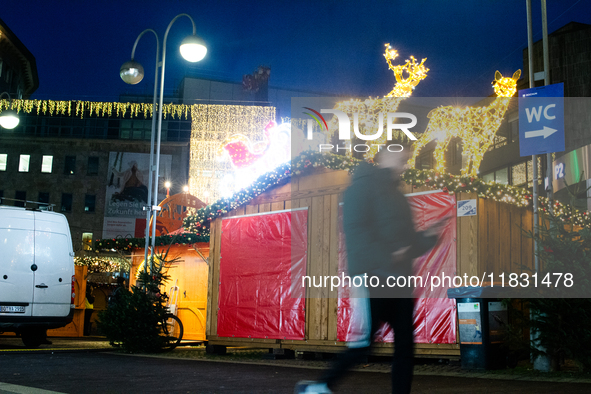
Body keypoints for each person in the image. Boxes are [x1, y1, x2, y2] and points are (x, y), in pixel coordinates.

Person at [295, 145, 447, 394]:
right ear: (384, 157)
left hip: (399, 282)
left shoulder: (398, 197)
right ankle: (318, 386)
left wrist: (429, 237)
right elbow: (356, 233)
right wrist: (388, 255)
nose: (405, 165)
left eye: (407, 161)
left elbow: (408, 243)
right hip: (371, 277)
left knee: (405, 347)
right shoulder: (360, 188)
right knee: (364, 344)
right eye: (401, 159)